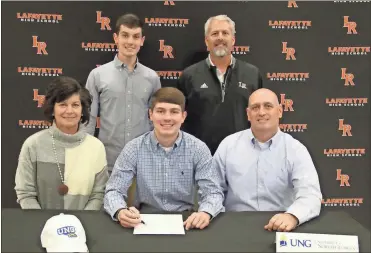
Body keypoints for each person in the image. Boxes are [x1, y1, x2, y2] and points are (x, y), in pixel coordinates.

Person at [104, 87, 224, 230]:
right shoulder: (134, 148)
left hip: (186, 221)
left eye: (174, 111)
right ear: (151, 114)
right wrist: (119, 211)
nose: (167, 118)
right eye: (160, 111)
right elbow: (113, 190)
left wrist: (205, 213)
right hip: (143, 220)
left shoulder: (198, 148)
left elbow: (213, 192)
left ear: (183, 116)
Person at [213, 88, 322, 232]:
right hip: (235, 226)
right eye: (255, 107)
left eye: (268, 106)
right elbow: (212, 188)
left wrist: (292, 216)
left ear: (280, 111)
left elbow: (310, 195)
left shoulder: (295, 149)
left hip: (280, 226)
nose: (261, 112)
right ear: (248, 114)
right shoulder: (228, 145)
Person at [15, 76, 109, 210]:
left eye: (75, 105)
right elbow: (26, 193)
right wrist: (45, 225)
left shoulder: (96, 147)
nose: (69, 111)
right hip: (41, 228)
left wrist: (81, 223)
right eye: (63, 105)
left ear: (83, 110)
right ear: (52, 109)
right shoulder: (33, 145)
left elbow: (98, 195)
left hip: (84, 227)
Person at [86, 13, 161, 172]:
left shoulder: (152, 78)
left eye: (135, 37)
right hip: (106, 163)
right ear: (116, 38)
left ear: (141, 40)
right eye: (125, 35)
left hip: (143, 163)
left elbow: (156, 121)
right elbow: (89, 120)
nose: (130, 42)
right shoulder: (97, 75)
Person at [177, 14, 262, 155]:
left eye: (225, 33)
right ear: (206, 40)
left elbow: (260, 116)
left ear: (233, 40)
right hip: (200, 158)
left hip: (243, 157)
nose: (220, 37)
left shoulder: (252, 74)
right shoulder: (189, 76)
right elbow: (180, 120)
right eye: (215, 33)